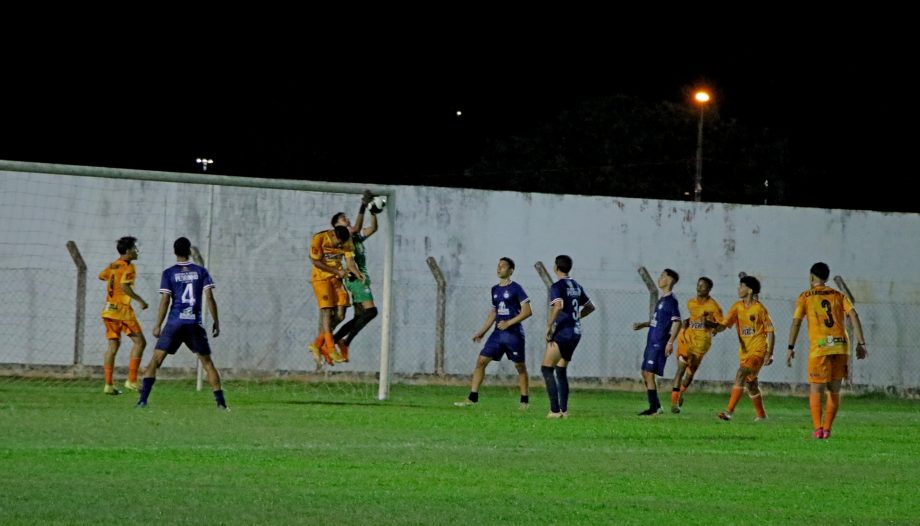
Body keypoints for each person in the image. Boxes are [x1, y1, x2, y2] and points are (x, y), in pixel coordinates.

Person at [136, 237, 226, 409]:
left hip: (174, 323)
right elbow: (209, 297)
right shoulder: (201, 271)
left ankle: (142, 400)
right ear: (190, 251)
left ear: (174, 251)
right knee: (207, 363)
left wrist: (158, 325)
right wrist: (216, 321)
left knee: (156, 360)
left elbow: (165, 300)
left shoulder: (169, 273)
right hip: (194, 322)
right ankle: (221, 403)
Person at [786, 262, 868, 439]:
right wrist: (861, 343)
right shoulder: (839, 295)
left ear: (811, 277)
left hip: (820, 347)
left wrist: (790, 347)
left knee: (816, 390)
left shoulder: (805, 297)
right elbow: (853, 315)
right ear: (827, 278)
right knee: (834, 390)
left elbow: (796, 322)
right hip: (840, 345)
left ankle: (817, 429)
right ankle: (828, 429)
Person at [455, 257, 532, 409]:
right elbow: (494, 313)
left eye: (503, 266)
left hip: (514, 335)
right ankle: (472, 398)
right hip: (497, 335)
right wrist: (482, 332)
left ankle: (524, 402)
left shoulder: (516, 288)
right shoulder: (494, 290)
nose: (499, 268)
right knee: (481, 362)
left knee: (520, 367)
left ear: (511, 270)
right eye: (498, 266)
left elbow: (528, 311)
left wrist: (509, 322)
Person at [541, 255, 595, 418]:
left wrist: (549, 326)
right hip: (576, 332)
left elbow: (558, 306)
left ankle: (555, 410)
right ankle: (564, 410)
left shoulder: (557, 286)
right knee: (561, 369)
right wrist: (576, 316)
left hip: (563, 332)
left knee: (546, 368)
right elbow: (590, 307)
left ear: (556, 267)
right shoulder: (576, 286)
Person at [715, 276, 774, 422]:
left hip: (758, 351)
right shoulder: (737, 307)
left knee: (741, 373)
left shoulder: (759, 309)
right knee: (751, 384)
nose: (738, 289)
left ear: (750, 290)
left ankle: (728, 412)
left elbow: (771, 331)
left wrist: (769, 353)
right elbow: (725, 324)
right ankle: (761, 416)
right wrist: (713, 328)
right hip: (745, 353)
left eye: (741, 286)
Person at [332, 191, 380, 361]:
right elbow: (350, 263)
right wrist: (363, 205)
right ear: (338, 227)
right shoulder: (345, 240)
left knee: (360, 316)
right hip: (356, 279)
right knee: (372, 312)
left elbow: (373, 228)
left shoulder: (355, 238)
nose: (348, 220)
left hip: (360, 278)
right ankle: (343, 342)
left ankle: (333, 341)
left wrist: (373, 211)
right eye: (344, 219)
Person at [98, 236, 148, 395]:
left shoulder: (113, 265)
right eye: (134, 248)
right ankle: (131, 381)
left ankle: (108, 385)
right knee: (140, 343)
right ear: (127, 251)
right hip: (122, 311)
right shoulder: (129, 267)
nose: (136, 250)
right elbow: (124, 286)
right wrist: (140, 300)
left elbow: (102, 276)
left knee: (112, 347)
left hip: (108, 310)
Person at [308, 217, 361, 367]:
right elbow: (316, 262)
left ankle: (318, 344)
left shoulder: (347, 241)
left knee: (340, 314)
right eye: (339, 243)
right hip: (321, 278)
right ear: (333, 235)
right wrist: (336, 271)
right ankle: (330, 348)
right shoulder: (319, 238)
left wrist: (357, 274)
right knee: (327, 311)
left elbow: (350, 262)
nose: (340, 246)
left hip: (337, 279)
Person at [670, 277, 723, 413]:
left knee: (690, 373)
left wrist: (710, 324)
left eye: (703, 286)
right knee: (680, 369)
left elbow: (722, 325)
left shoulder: (713, 306)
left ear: (709, 289)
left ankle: (681, 392)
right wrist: (686, 322)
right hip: (687, 338)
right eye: (698, 285)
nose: (699, 288)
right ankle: (674, 403)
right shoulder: (691, 302)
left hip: (702, 343)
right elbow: (693, 318)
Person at [632, 269, 681, 415]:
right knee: (644, 372)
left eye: (662, 276)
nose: (659, 279)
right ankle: (657, 406)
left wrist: (670, 342)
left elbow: (678, 322)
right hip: (651, 340)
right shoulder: (661, 300)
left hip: (659, 342)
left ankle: (653, 408)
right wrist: (643, 325)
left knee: (649, 373)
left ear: (670, 280)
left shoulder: (671, 301)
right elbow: (658, 322)